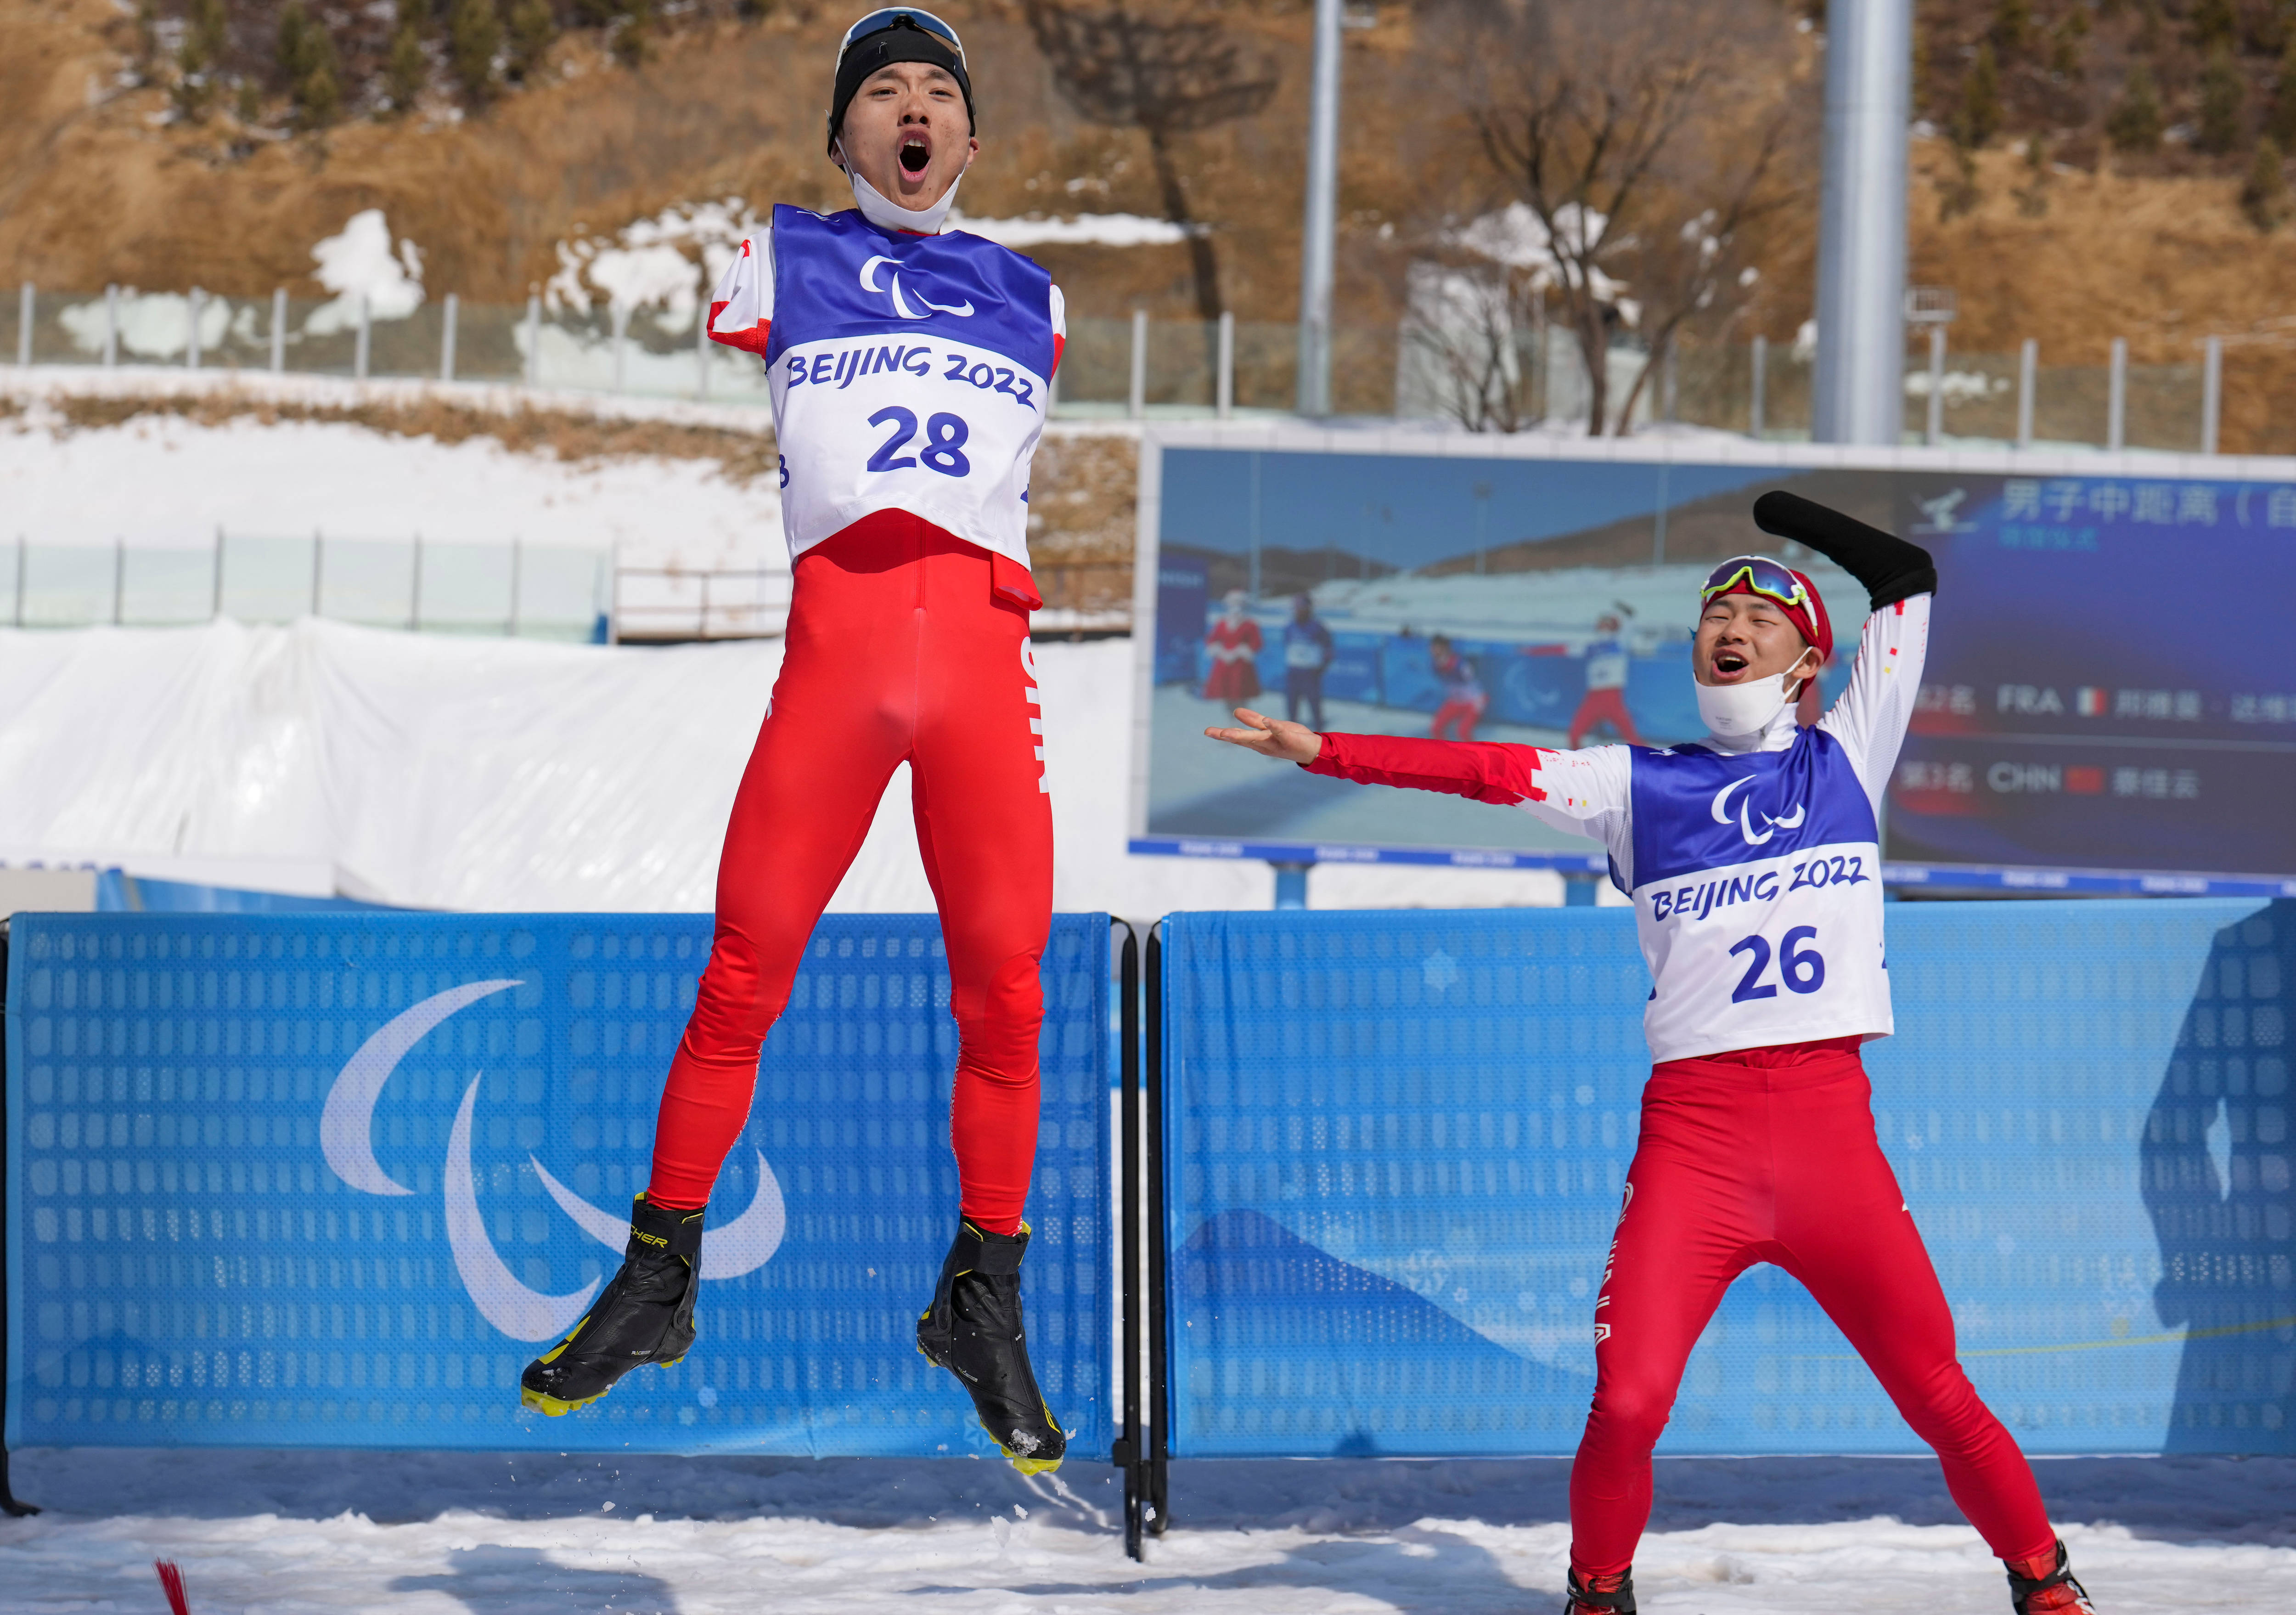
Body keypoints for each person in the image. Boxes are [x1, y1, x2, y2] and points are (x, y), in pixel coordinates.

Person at [1205, 492, 2097, 1615]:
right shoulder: (1638, 784)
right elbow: (1483, 773)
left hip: (1829, 1138)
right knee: (1626, 1403)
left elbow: (1907, 575)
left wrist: (1789, 518)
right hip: (1699, 1141)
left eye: (1759, 615)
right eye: (1712, 612)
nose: (1729, 624)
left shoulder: (1845, 758)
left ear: (1808, 661)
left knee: (1935, 1391)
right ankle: (1597, 1589)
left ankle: (2044, 1581)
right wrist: (1324, 750)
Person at [519, 7, 1070, 1475]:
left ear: (971, 135)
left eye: (936, 93)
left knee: (1009, 996)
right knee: (741, 967)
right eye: (881, 91)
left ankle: (983, 1298)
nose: (911, 109)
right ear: (841, 133)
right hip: (833, 658)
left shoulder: (1035, 293)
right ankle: (658, 1272)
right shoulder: (782, 252)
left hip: (977, 665)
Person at [1567, 612, 1643, 749]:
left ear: (1614, 627)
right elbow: (1563, 649)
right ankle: (1579, 765)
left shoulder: (1621, 641)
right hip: (1593, 697)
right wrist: (1532, 651)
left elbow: (1630, 626)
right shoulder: (1590, 645)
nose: (1604, 628)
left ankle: (1655, 764)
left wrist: (1628, 615)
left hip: (1613, 697)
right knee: (1574, 736)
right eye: (1601, 624)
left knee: (1632, 738)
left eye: (1607, 624)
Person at [1281, 592, 1334, 728]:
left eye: (1301, 607)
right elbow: (1288, 644)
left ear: (1308, 609)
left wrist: (1322, 667)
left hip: (1311, 671)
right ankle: (1291, 730)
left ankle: (1320, 732)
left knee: (1314, 703)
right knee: (1292, 704)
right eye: (1296, 608)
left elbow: (1329, 648)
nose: (1298, 611)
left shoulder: (1318, 627)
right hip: (1294, 671)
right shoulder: (1290, 626)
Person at [1202, 589, 1263, 705]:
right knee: (1226, 694)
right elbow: (1212, 639)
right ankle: (1230, 720)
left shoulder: (1250, 624)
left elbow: (1257, 643)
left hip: (1241, 665)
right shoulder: (1222, 623)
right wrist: (1220, 651)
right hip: (1224, 663)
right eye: (1233, 603)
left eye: (1239, 603)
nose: (1236, 606)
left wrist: (1242, 650)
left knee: (1241, 694)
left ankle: (1240, 721)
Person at [1428, 633, 1486, 741]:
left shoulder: (1459, 664)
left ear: (1444, 648)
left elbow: (1473, 683)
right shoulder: (1435, 664)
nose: (1432, 650)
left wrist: (1479, 702)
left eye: (1436, 647)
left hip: (1472, 701)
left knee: (1462, 732)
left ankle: (1474, 755)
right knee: (1436, 729)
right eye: (1432, 647)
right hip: (1455, 701)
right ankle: (1446, 753)